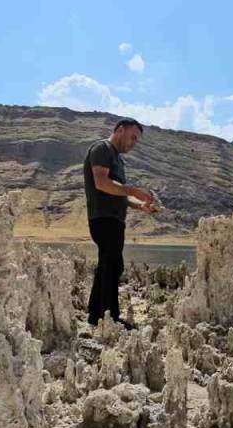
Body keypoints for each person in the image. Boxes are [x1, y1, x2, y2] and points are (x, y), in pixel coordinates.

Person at [83, 118, 159, 329]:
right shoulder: (102, 149)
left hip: (115, 219)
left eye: (137, 140)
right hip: (103, 218)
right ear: (120, 129)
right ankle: (111, 317)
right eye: (132, 137)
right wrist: (133, 189)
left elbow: (120, 196)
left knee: (106, 264)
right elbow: (102, 183)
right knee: (114, 264)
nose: (134, 143)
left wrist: (140, 205)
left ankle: (95, 315)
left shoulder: (118, 159)